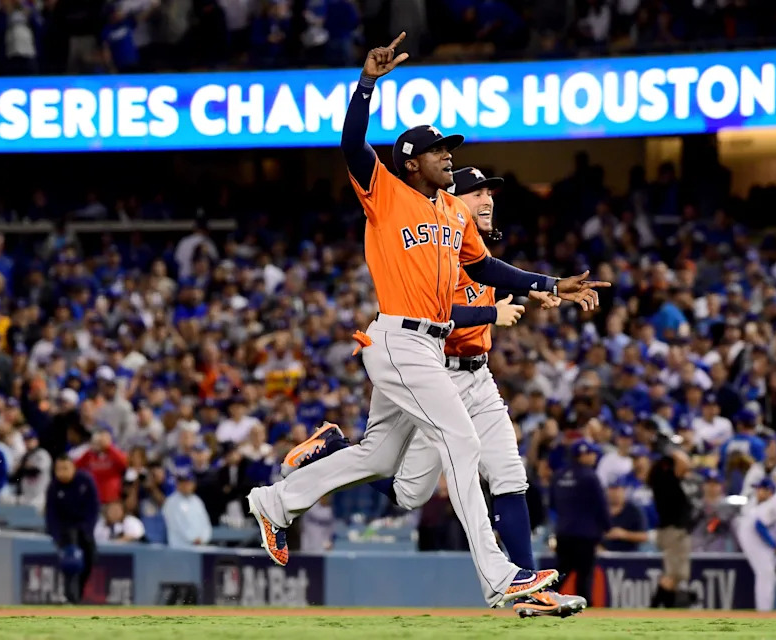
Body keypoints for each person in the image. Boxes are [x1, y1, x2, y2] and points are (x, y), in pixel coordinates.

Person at [245, 32, 606, 609]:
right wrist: (366, 85)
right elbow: (350, 142)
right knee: (461, 442)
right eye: (439, 151)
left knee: (380, 459)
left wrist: (549, 284)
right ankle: (501, 579)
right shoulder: (385, 192)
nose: (449, 156)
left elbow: (487, 266)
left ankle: (275, 503)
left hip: (427, 347)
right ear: (411, 161)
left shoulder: (448, 211)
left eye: (449, 150)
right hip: (400, 338)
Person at [287, 166, 586, 616]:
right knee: (409, 492)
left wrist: (538, 290)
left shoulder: (470, 248)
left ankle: (529, 589)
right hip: (434, 374)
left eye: (490, 193)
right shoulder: (435, 242)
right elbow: (435, 311)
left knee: (508, 472)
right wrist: (492, 313)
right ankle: (335, 449)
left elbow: (492, 281)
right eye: (476, 192)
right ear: (449, 201)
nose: (486, 200)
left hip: (478, 375)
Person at [551, 439, 610, 605]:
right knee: (584, 576)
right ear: (582, 455)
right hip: (585, 535)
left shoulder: (558, 476)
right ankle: (585, 607)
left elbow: (552, 504)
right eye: (590, 453)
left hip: (563, 533)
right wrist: (607, 527)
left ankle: (542, 600)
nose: (593, 457)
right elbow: (601, 505)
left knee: (561, 572)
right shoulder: (590, 476)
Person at [646, 421, 693, 608]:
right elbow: (685, 463)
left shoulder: (658, 467)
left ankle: (666, 609)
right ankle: (654, 607)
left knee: (675, 575)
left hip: (670, 527)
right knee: (675, 574)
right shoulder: (664, 467)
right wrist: (671, 448)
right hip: (673, 529)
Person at [45, 455, 100, 604]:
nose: (62, 472)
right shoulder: (54, 486)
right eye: (58, 469)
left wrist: (88, 530)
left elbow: (93, 508)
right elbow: (51, 514)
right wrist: (56, 536)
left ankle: (78, 595)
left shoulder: (85, 481)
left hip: (84, 528)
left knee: (89, 562)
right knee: (71, 563)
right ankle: (70, 598)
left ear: (73, 468)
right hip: (65, 529)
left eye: (65, 468)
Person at [162, 470, 212, 549]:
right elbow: (177, 525)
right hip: (179, 547)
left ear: (194, 484)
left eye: (188, 482)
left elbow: (205, 522)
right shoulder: (171, 501)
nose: (186, 485)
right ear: (177, 484)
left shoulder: (197, 500)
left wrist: (203, 538)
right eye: (182, 482)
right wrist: (194, 538)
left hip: (200, 546)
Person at [603, 479, 649, 552]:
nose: (615, 493)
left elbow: (644, 536)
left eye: (618, 490)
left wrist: (624, 534)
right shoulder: (600, 509)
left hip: (628, 555)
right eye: (612, 490)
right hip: (604, 554)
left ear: (624, 491)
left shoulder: (634, 510)